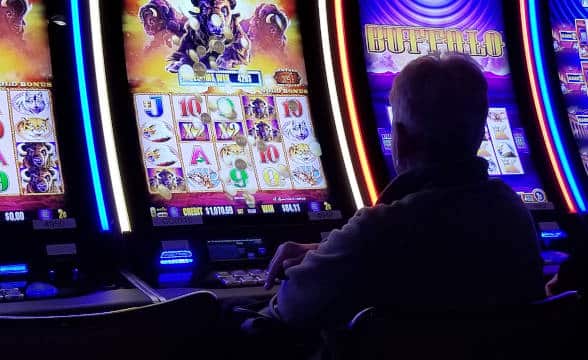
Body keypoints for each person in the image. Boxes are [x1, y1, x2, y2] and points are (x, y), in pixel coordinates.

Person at [263, 53, 545, 329]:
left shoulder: (379, 231)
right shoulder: (514, 216)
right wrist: (331, 252)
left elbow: (291, 307)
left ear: (401, 137)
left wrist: (334, 256)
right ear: (482, 133)